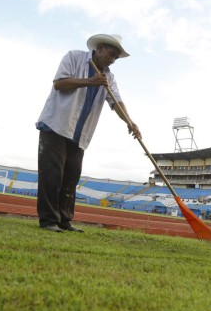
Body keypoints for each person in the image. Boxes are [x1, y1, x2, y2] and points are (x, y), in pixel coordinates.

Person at [35, 34, 141, 233]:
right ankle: (49, 220)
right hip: (56, 126)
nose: (112, 60)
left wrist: (130, 122)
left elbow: (116, 103)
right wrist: (91, 82)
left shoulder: (109, 77)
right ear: (99, 48)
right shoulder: (74, 57)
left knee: (71, 177)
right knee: (52, 175)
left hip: (80, 133)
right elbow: (59, 83)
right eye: (111, 54)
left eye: (116, 58)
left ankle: (65, 220)